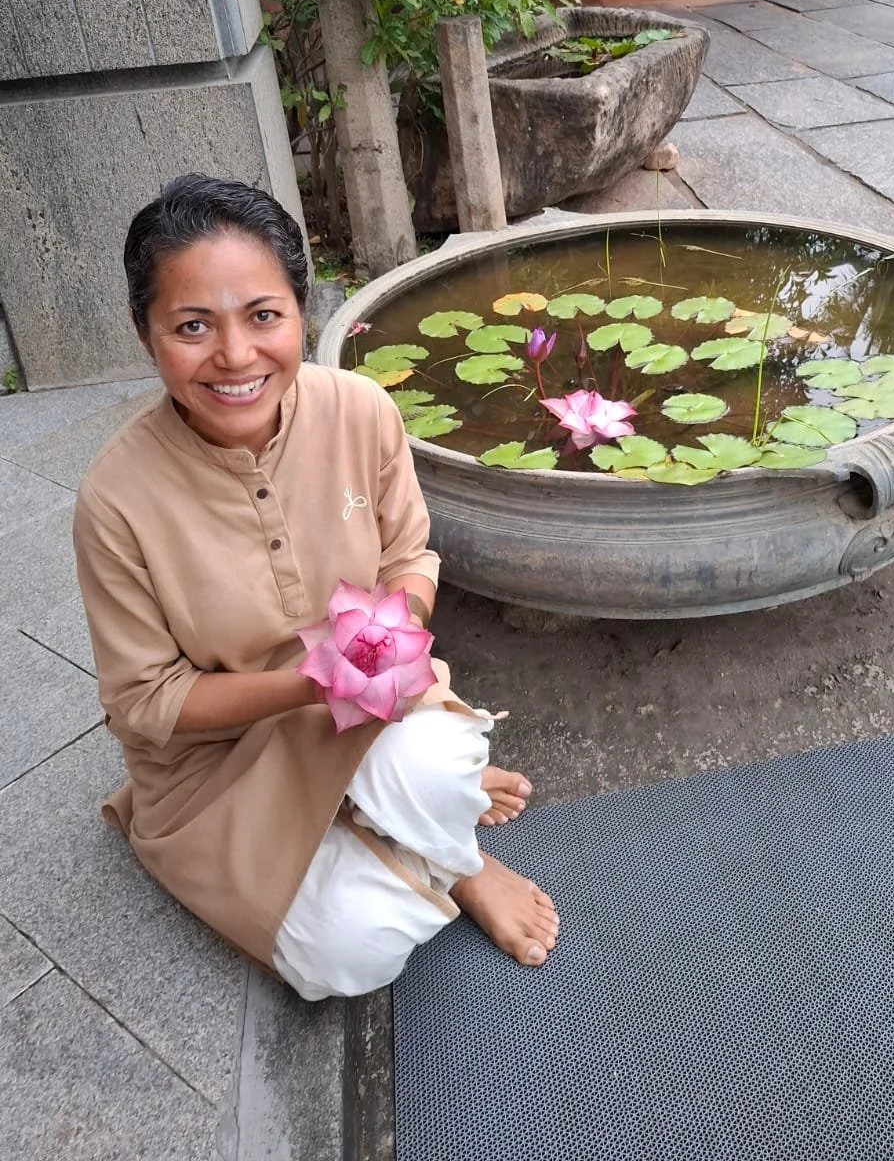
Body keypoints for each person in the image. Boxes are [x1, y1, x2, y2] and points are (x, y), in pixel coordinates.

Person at [73, 174, 559, 1000]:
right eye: (193, 326)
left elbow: (411, 555)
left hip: (367, 703)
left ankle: (435, 836)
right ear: (144, 332)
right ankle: (447, 854)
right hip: (216, 767)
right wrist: (308, 680)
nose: (234, 356)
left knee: (448, 763)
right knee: (350, 958)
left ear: (302, 310)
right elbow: (146, 705)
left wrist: (384, 643)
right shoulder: (113, 501)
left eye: (264, 316)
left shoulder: (361, 410)